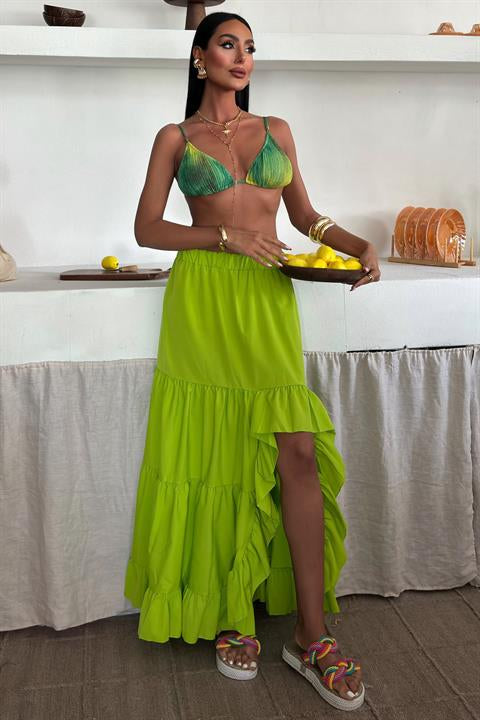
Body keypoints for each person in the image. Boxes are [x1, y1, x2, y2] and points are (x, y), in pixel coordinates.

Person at [124, 10, 380, 712]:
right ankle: (231, 614)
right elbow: (147, 227)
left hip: (268, 301)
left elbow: (304, 217)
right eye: (228, 45)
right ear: (200, 58)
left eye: (250, 48)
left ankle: (311, 635)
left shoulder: (277, 131)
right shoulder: (176, 138)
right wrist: (225, 238)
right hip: (204, 302)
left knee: (295, 450)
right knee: (221, 455)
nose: (242, 57)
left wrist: (356, 242)